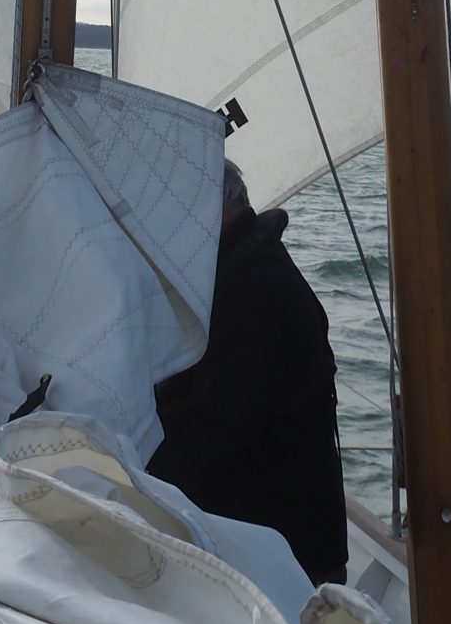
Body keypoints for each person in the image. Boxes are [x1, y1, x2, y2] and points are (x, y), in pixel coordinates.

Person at [148, 159, 349, 586]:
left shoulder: (258, 292)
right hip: (270, 538)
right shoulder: (241, 270)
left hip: (283, 560)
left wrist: (126, 466)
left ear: (211, 211)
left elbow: (215, 427)